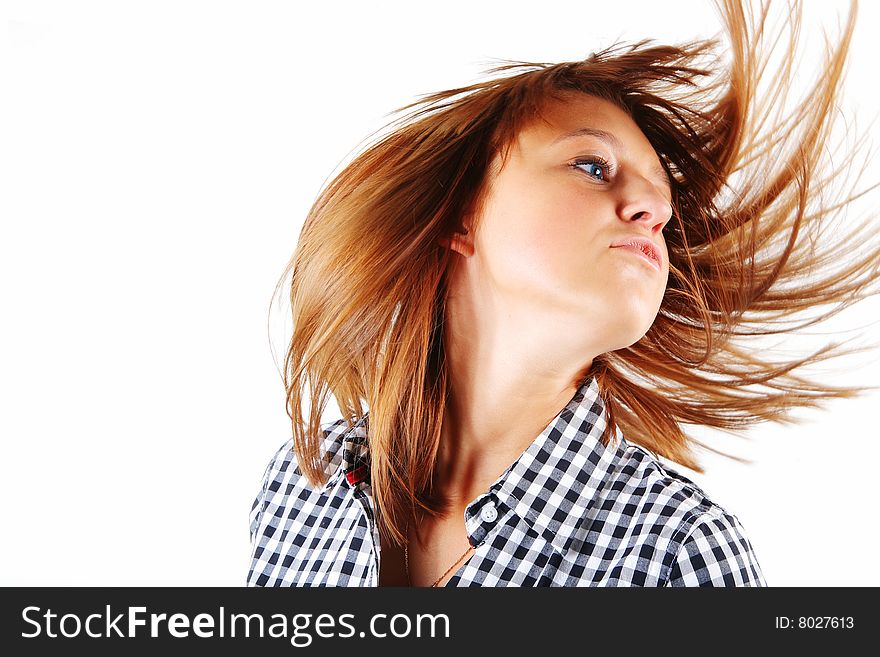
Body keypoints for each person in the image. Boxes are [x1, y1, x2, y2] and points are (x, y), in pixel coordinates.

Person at [248, 0, 878, 586]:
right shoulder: (304, 486)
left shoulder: (674, 554)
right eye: (592, 165)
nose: (653, 208)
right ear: (460, 216)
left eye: (662, 199)